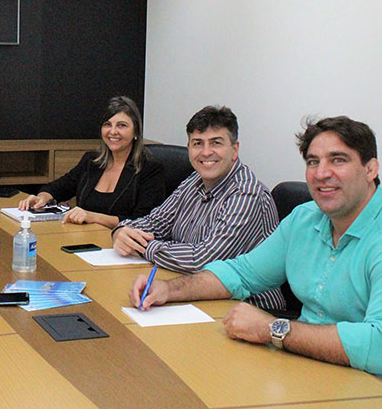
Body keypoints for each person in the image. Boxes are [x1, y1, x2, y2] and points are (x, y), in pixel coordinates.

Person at [129, 116, 382, 404]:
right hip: (306, 372)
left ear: (371, 169)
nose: (322, 173)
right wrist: (170, 290)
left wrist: (273, 329)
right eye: (313, 162)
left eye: (338, 160)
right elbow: (242, 272)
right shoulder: (306, 218)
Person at [114, 105, 284, 309]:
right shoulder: (194, 181)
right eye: (197, 144)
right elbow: (155, 223)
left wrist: (143, 246)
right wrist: (122, 231)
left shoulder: (247, 194)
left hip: (249, 307)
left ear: (234, 149)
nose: (206, 153)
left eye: (216, 143)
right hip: (192, 292)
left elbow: (203, 260)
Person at [18, 96, 165, 229]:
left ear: (136, 132)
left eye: (121, 125)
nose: (113, 132)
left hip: (121, 246)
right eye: (107, 124)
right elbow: (60, 187)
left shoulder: (150, 170)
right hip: (85, 239)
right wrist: (42, 197)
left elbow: (143, 221)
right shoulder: (91, 161)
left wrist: (93, 217)